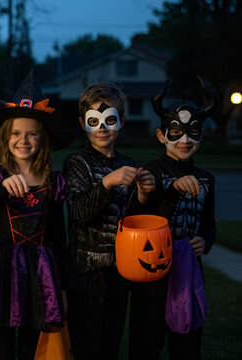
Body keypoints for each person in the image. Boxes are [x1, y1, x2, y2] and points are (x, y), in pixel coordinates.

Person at [0, 68, 72, 360]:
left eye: (31, 134)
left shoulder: (54, 182)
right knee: (2, 344)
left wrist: (62, 287)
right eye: (15, 133)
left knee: (30, 341)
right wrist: (4, 184)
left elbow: (58, 236)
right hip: (2, 266)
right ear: (5, 137)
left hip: (41, 270)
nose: (23, 140)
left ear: (43, 139)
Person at [62, 82, 155, 359]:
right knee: (87, 344)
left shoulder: (129, 162)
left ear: (122, 121)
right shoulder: (77, 162)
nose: (102, 128)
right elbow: (78, 213)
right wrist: (106, 183)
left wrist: (142, 195)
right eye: (94, 121)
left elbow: (132, 221)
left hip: (121, 270)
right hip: (86, 272)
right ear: (83, 124)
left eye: (109, 120)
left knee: (110, 343)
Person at [128, 78, 216, 360]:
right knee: (146, 344)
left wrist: (206, 239)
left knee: (187, 345)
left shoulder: (206, 179)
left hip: (189, 273)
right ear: (161, 136)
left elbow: (208, 222)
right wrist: (173, 191)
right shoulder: (150, 172)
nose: (185, 140)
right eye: (176, 132)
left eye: (193, 133)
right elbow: (140, 217)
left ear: (202, 135)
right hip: (153, 275)